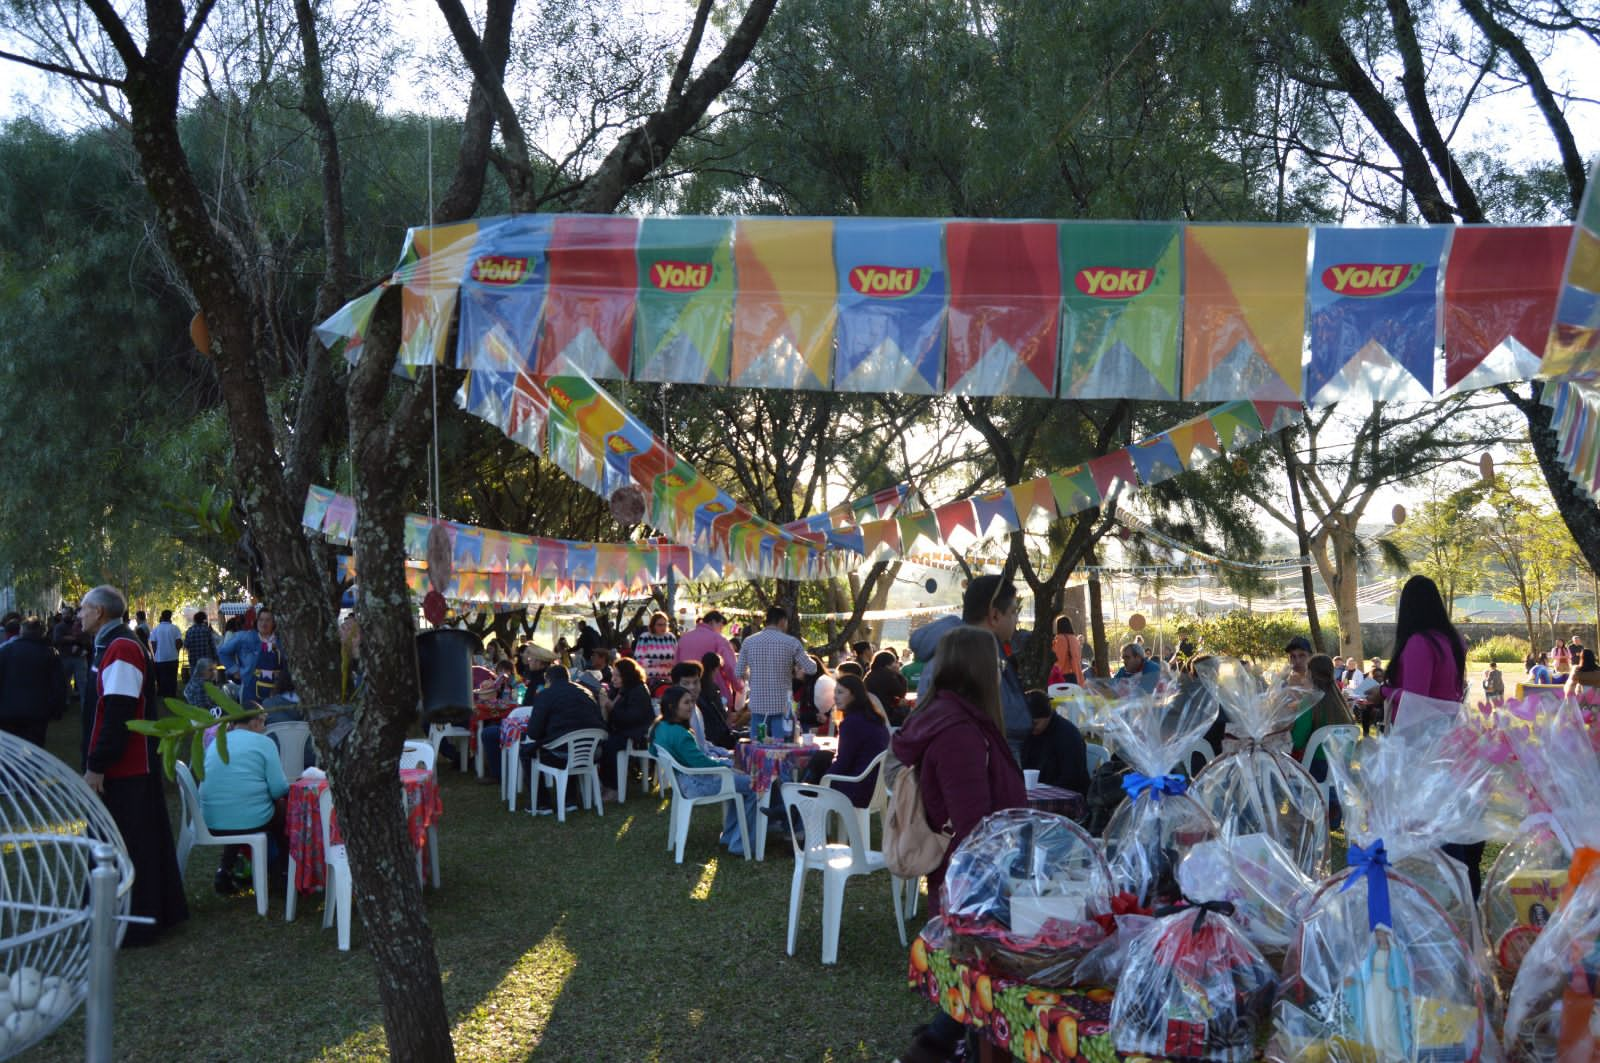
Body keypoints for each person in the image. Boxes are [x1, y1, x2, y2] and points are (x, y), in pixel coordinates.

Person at [893, 625, 1027, 1063]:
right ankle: (932, 1046)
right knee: (977, 981)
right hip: (973, 879)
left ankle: (945, 1043)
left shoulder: (956, 719)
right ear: (979, 670)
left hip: (968, 875)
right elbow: (974, 825)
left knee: (973, 982)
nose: (1001, 671)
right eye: (997, 664)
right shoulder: (959, 732)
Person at [77, 585, 188, 944]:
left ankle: (133, 923)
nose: (78, 615)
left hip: (126, 771)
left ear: (99, 612)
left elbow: (119, 714)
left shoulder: (121, 648)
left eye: (82, 609)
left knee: (127, 845)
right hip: (122, 767)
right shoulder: (111, 645)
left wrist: (98, 764)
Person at [1384, 575, 1480, 898]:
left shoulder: (1419, 644)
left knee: (1429, 831)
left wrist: (1384, 692)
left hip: (1423, 752)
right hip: (1451, 744)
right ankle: (1463, 897)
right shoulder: (1452, 641)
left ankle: (1440, 899)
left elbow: (1416, 703)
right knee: (1449, 824)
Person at [911, 574, 1030, 758]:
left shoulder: (955, 652)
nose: (1016, 620)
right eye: (1014, 612)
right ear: (995, 615)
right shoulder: (968, 661)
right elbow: (999, 722)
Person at [651, 684, 759, 856]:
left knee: (739, 785)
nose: (691, 707)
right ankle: (739, 843)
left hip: (683, 781)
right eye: (686, 703)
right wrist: (728, 765)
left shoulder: (659, 727)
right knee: (754, 786)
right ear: (672, 706)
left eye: (691, 702)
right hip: (698, 783)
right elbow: (700, 763)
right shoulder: (680, 733)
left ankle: (730, 835)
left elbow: (653, 751)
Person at [198, 707, 289, 895]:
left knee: (238, 809)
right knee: (281, 807)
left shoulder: (217, 743)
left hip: (211, 820)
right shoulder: (264, 743)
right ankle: (281, 870)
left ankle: (225, 870)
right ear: (255, 721)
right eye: (263, 722)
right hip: (251, 820)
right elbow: (279, 789)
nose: (264, 727)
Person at [523, 665, 607, 813]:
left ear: (547, 679)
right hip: (592, 752)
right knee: (569, 742)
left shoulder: (545, 695)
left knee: (527, 752)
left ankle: (542, 803)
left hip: (562, 753)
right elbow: (599, 721)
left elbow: (533, 733)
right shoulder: (587, 693)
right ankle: (570, 800)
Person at [737, 605, 817, 741]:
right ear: (782, 621)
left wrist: (754, 676)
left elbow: (738, 672)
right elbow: (811, 668)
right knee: (781, 749)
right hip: (782, 706)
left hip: (757, 704)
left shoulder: (748, 642)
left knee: (758, 746)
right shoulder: (791, 642)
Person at [0, 617, 68, 746]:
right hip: (36, 712)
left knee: (10, 750)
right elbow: (59, 685)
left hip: (8, 711)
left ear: (21, 631)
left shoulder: (5, 651)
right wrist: (57, 709)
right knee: (35, 751)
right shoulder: (49, 653)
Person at [599, 657, 653, 794]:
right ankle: (603, 784)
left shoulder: (638, 690)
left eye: (618, 676)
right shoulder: (619, 690)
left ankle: (613, 789)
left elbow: (632, 718)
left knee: (609, 746)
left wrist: (611, 708)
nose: (613, 679)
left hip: (635, 734)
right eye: (613, 675)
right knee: (599, 743)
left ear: (627, 675)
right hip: (621, 730)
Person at [1020, 689, 1089, 795]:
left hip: (1067, 795)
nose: (1030, 728)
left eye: (1035, 723)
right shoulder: (1028, 734)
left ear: (1048, 716)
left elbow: (1072, 777)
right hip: (1036, 792)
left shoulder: (1067, 735)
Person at [674, 611, 744, 707]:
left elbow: (675, 665)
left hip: (685, 691)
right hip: (714, 693)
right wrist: (739, 686)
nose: (721, 630)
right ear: (712, 622)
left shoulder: (684, 638)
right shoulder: (719, 640)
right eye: (721, 626)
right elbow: (730, 667)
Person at [219, 608, 282, 709]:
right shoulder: (245, 637)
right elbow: (222, 652)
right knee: (251, 720)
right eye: (261, 620)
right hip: (250, 687)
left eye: (267, 620)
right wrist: (235, 671)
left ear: (274, 622)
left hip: (276, 689)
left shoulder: (282, 640)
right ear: (257, 621)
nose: (264, 623)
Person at [697, 652, 741, 750]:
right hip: (717, 734)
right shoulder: (713, 688)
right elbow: (723, 715)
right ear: (716, 668)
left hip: (705, 731)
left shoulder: (698, 686)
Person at [630, 612, 678, 689]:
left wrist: (672, 663)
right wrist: (659, 662)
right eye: (660, 625)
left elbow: (677, 657)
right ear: (653, 625)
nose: (663, 627)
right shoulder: (645, 637)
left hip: (668, 679)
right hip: (650, 680)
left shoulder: (671, 637)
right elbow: (638, 660)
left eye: (665, 624)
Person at [864, 649, 909, 727]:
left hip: (870, 713)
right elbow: (901, 693)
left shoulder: (869, 675)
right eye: (895, 662)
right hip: (886, 715)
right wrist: (899, 674)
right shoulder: (888, 675)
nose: (897, 664)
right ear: (888, 664)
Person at [52, 606, 89, 697]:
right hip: (65, 657)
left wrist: (72, 640)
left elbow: (86, 638)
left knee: (82, 682)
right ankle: (66, 701)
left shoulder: (79, 624)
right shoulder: (59, 627)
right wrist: (75, 639)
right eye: (64, 614)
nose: (65, 616)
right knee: (65, 681)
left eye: (67, 613)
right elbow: (57, 639)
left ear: (72, 614)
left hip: (79, 657)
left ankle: (84, 705)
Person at [148, 609, 183, 699]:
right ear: (170, 617)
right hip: (173, 657)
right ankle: (172, 695)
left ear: (162, 617)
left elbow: (153, 644)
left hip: (160, 658)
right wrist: (175, 650)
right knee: (172, 678)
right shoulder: (175, 628)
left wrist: (155, 654)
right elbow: (179, 643)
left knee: (162, 678)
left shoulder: (156, 630)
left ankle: (163, 695)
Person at [1047, 615, 1084, 687]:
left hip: (1064, 677)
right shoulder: (1075, 639)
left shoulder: (1060, 639)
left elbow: (1059, 659)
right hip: (1077, 676)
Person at [183, 611, 220, 685]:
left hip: (193, 660)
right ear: (204, 619)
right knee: (207, 681)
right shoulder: (207, 630)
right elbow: (212, 646)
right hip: (206, 660)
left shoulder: (190, 631)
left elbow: (186, 645)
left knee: (195, 680)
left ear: (194, 620)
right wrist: (216, 658)